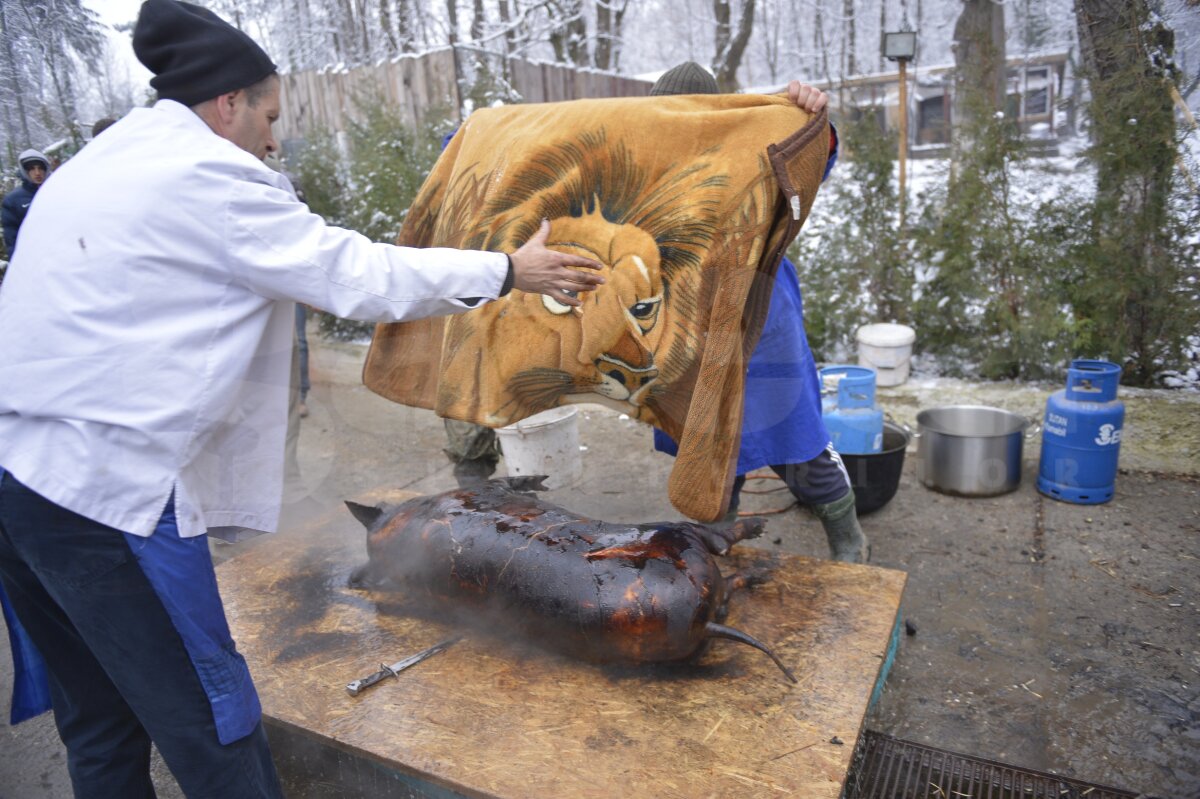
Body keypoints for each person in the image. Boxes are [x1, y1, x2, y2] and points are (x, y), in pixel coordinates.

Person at [0, 1, 602, 797]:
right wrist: (503, 271)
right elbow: (356, 274)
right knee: (216, 722)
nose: (273, 138)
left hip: (18, 485)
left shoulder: (100, 162)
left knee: (101, 721)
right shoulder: (208, 177)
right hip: (108, 501)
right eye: (268, 114)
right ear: (227, 104)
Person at [647, 62, 870, 564]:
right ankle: (719, 545)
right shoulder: (642, 172)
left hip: (762, 324)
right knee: (710, 450)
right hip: (689, 337)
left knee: (800, 443)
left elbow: (810, 164)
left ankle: (848, 537)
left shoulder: (751, 158)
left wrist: (812, 120)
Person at [1, 149, 49, 256]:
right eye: (32, 169)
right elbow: (12, 236)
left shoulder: (56, 191)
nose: (37, 173)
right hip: (33, 256)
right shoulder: (13, 200)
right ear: (24, 171)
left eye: (40, 168)